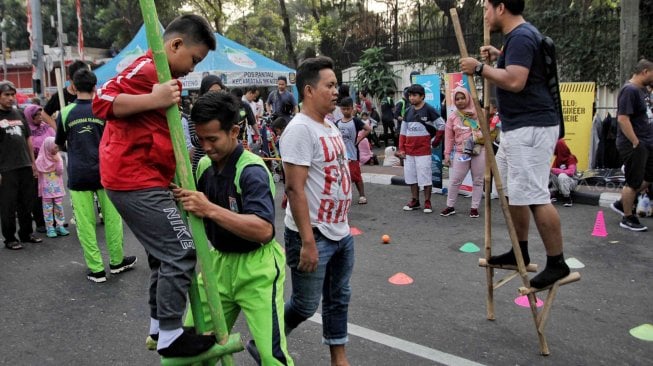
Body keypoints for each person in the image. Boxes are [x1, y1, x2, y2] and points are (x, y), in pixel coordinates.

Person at [91, 14, 218, 357]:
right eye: (193, 59)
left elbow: (159, 134)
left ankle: (158, 327)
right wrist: (154, 98)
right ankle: (171, 336)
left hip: (148, 178)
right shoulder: (149, 69)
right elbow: (100, 100)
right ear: (175, 45)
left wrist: (173, 178)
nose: (192, 69)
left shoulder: (166, 77)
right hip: (132, 179)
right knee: (182, 249)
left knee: (165, 257)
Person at [172, 92, 294, 366]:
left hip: (257, 268)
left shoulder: (251, 170)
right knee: (190, 349)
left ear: (235, 131)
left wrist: (209, 209)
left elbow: (263, 230)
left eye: (212, 139)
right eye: (200, 139)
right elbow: (193, 208)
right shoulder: (203, 165)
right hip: (218, 265)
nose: (206, 146)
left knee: (271, 357)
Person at [459, 0, 570, 289]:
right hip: (518, 127)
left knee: (534, 195)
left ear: (501, 7)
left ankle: (557, 263)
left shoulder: (520, 36)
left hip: (530, 127)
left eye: (486, 8)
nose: (484, 15)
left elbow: (516, 81)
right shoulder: (518, 39)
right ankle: (518, 249)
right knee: (512, 192)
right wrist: (499, 56)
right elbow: (523, 72)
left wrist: (480, 67)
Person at [280, 56, 355, 366]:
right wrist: (308, 242)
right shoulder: (299, 130)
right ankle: (266, 342)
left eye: (336, 85)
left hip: (341, 230)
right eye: (330, 85)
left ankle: (339, 359)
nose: (335, 91)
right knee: (304, 305)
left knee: (338, 299)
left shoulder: (330, 126)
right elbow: (295, 189)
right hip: (313, 235)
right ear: (309, 90)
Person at [55, 68, 134, 283]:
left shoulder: (64, 113)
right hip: (105, 172)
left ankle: (96, 269)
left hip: (78, 174)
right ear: (94, 86)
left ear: (73, 87)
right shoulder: (104, 110)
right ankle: (117, 262)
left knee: (85, 223)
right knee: (112, 219)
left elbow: (59, 143)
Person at [609, 59, 653, 231]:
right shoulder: (629, 90)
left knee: (649, 175)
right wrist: (635, 141)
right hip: (634, 144)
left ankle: (622, 203)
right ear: (644, 72)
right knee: (633, 181)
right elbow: (623, 119)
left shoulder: (643, 91)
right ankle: (627, 217)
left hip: (647, 142)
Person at [0, 80, 43, 249]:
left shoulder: (19, 113)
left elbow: (28, 140)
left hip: (24, 165)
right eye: (6, 95)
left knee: (26, 202)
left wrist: (33, 163)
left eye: (12, 95)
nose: (11, 98)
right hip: (6, 168)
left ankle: (26, 234)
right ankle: (10, 238)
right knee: (8, 205)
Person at [397, 83, 443, 214]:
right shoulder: (407, 111)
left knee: (425, 176)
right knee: (411, 177)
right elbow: (403, 132)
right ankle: (415, 200)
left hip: (423, 151)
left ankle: (427, 202)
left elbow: (441, 125)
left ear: (422, 96)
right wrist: (401, 149)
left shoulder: (429, 109)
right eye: (410, 95)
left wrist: (435, 142)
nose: (412, 98)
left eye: (415, 95)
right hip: (409, 150)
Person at [441, 86, 486, 218]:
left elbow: (490, 128)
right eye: (457, 99)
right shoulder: (453, 117)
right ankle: (450, 206)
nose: (460, 101)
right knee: (455, 180)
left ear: (468, 98)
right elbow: (449, 137)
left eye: (462, 98)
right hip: (461, 153)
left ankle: (474, 208)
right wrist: (447, 154)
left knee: (478, 181)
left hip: (479, 151)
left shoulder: (480, 112)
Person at [336, 97, 372, 204]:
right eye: (343, 109)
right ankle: (343, 195)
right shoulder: (337, 122)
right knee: (341, 175)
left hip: (353, 153)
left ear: (352, 109)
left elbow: (368, 129)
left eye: (348, 109)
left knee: (356, 175)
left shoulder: (355, 121)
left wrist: (359, 139)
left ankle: (362, 195)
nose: (345, 111)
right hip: (341, 154)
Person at [24, 104, 54, 233]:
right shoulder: (27, 131)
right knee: (37, 196)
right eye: (35, 115)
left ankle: (54, 220)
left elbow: (55, 141)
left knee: (53, 193)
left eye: (40, 114)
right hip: (35, 166)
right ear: (29, 117)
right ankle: (41, 222)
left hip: (50, 167)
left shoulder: (47, 128)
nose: (39, 117)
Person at [189, 74, 225, 173]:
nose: (216, 95)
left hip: (223, 162)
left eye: (219, 91)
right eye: (212, 92)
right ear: (204, 92)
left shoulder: (227, 110)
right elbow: (194, 141)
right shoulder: (196, 112)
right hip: (202, 162)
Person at [35, 137, 69, 238]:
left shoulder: (57, 157)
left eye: (57, 148)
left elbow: (60, 171)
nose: (56, 150)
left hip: (57, 189)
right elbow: (38, 169)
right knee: (47, 209)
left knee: (59, 207)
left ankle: (60, 226)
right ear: (48, 147)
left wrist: (58, 161)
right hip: (46, 191)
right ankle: (49, 227)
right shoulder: (41, 159)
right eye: (54, 148)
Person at [43, 60, 89, 128]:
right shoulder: (61, 95)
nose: (79, 84)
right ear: (69, 78)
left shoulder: (91, 92)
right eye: (76, 80)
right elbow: (44, 114)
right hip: (70, 135)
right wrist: (58, 129)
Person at [549, 139, 578, 207]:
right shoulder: (557, 159)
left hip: (571, 182)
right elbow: (552, 171)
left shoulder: (571, 158)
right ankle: (553, 193)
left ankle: (567, 198)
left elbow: (571, 172)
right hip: (561, 183)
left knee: (562, 175)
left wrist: (557, 170)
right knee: (550, 172)